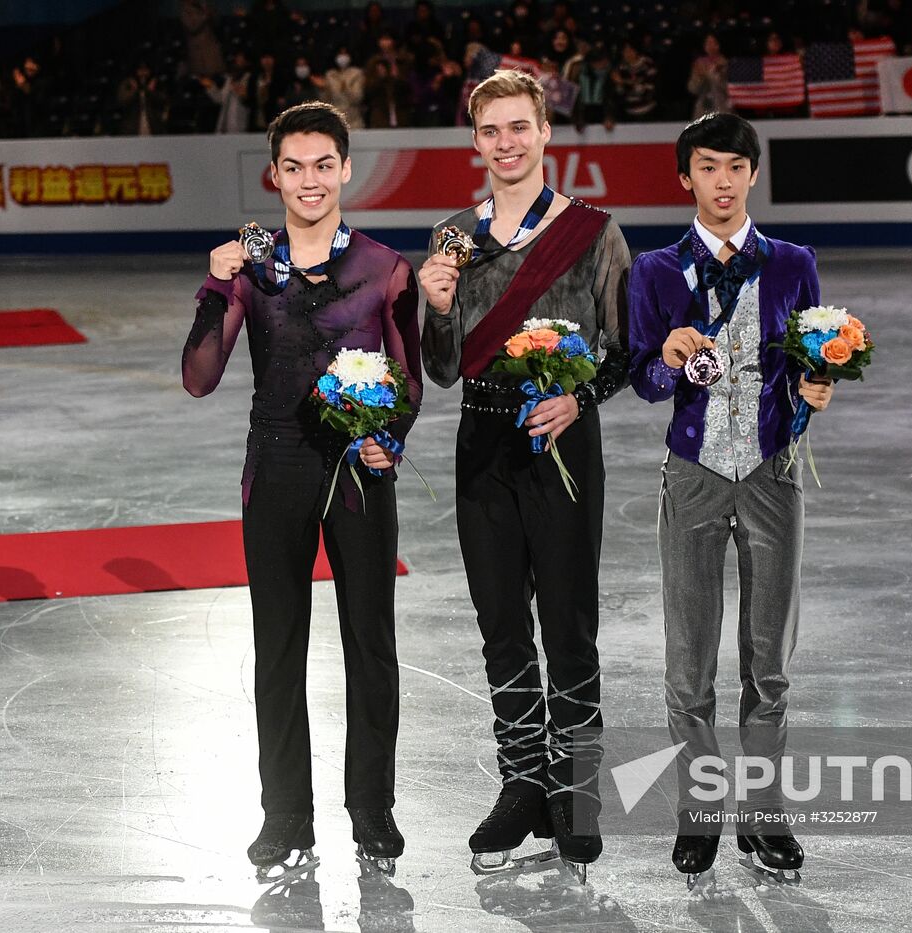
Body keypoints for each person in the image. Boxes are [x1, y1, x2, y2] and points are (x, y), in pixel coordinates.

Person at [182, 101, 421, 880]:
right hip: (276, 468)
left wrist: (390, 438)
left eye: (325, 164)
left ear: (346, 169)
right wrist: (216, 288)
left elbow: (408, 379)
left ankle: (373, 807)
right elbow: (199, 378)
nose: (311, 180)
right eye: (295, 167)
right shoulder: (251, 267)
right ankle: (285, 814)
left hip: (358, 470)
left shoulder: (387, 267)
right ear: (274, 174)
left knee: (370, 644)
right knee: (277, 647)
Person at [416, 69, 630, 881]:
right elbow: (440, 371)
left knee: (569, 623)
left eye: (520, 128)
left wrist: (580, 397)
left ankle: (575, 792)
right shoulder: (453, 239)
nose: (506, 143)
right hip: (484, 445)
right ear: (475, 143)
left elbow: (628, 350)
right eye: (491, 131)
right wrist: (435, 308)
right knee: (502, 622)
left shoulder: (594, 233)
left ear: (546, 134)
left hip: (564, 445)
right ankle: (521, 782)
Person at [626, 112, 833, 886]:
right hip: (694, 471)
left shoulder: (794, 264)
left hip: (774, 472)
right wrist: (671, 359)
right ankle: (700, 809)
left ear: (753, 175)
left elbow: (810, 368)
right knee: (689, 663)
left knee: (769, 659)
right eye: (706, 167)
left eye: (735, 167)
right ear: (686, 177)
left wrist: (814, 392)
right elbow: (644, 378)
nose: (721, 181)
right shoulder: (653, 269)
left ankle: (766, 812)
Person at [321, 47, 367, 128]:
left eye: (345, 54)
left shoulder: (357, 73)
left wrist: (345, 87)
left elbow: (357, 98)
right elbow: (325, 101)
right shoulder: (330, 75)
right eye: (340, 54)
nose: (342, 57)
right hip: (335, 121)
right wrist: (323, 90)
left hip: (354, 121)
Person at [687, 33, 729, 118]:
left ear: (718, 45)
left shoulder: (724, 64)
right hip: (703, 108)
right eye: (707, 43)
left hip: (721, 106)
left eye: (712, 43)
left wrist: (711, 73)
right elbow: (693, 89)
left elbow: (726, 87)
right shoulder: (699, 64)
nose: (709, 46)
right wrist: (699, 77)